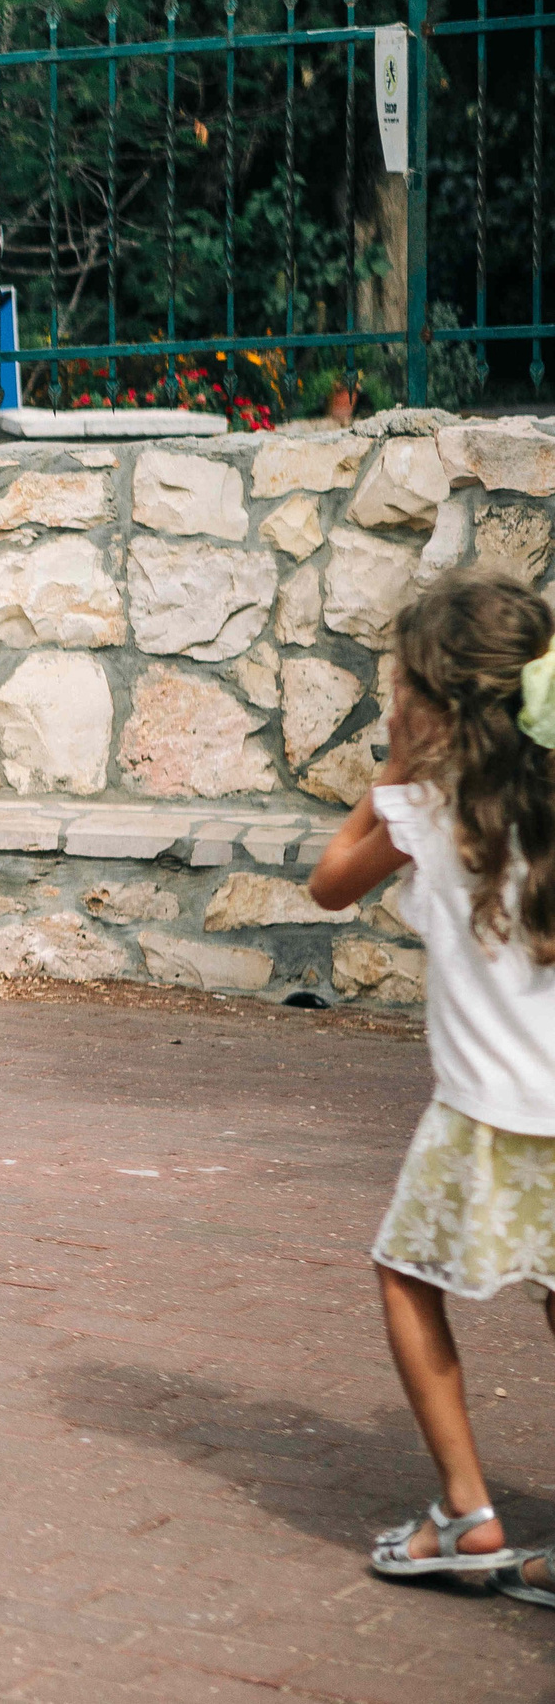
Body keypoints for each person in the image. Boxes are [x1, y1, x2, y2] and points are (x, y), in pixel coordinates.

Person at [307, 569, 555, 1608]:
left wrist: (393, 772)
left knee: (406, 1276)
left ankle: (465, 1515)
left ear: (432, 705)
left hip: (487, 1117)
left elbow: (326, 881)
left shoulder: (423, 807)